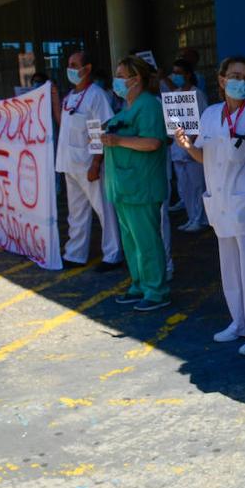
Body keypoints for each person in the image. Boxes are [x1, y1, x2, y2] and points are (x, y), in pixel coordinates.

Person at [176, 55, 245, 355]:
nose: (241, 82)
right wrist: (186, 146)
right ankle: (240, 322)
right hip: (221, 204)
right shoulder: (209, 114)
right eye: (235, 76)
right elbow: (203, 155)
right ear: (221, 80)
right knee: (231, 269)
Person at [100, 55, 171, 312]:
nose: (116, 80)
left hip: (142, 186)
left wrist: (117, 141)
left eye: (121, 75)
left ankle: (156, 290)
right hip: (122, 187)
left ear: (135, 78)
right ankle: (139, 284)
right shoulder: (126, 108)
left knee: (147, 241)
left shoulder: (148, 105)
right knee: (131, 242)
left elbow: (152, 142)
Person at [56, 51, 123, 272]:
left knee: (104, 209)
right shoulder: (69, 97)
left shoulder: (96, 95)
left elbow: (101, 130)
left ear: (87, 68)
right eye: (69, 65)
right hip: (69, 163)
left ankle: (112, 254)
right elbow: (63, 123)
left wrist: (96, 163)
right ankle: (75, 253)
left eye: (75, 65)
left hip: (88, 164)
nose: (70, 69)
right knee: (76, 212)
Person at [166, 58, 208, 233]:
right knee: (185, 187)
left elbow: (203, 120)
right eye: (173, 73)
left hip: (194, 146)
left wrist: (193, 143)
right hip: (177, 147)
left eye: (179, 73)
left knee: (198, 185)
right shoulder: (173, 94)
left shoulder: (197, 94)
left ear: (188, 75)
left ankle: (200, 218)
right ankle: (192, 218)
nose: (175, 76)